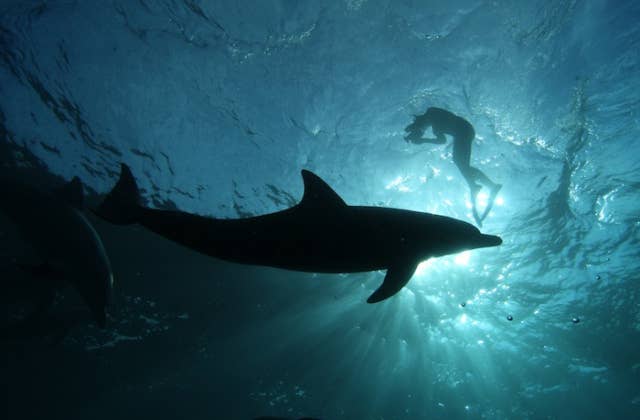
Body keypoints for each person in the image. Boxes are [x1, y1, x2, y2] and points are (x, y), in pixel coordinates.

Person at [404, 107, 501, 227]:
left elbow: (441, 140)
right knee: (461, 163)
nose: (425, 129)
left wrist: (422, 139)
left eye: (422, 127)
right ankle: (487, 185)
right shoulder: (433, 118)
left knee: (459, 161)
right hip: (464, 130)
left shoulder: (432, 115)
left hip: (464, 131)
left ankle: (478, 186)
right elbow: (438, 136)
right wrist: (419, 134)